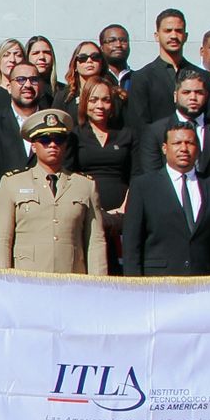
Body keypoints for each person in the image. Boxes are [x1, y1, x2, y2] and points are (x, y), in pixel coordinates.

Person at [0, 110, 107, 274]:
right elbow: (4, 241)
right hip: (27, 278)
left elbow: (95, 241)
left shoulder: (85, 185)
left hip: (72, 277)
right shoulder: (12, 183)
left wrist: (99, 282)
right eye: (45, 140)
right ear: (33, 146)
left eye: (59, 140)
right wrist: (1, 280)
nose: (53, 145)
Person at [123, 124, 210, 276]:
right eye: (177, 143)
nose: (183, 148)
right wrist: (134, 283)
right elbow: (132, 243)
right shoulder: (143, 187)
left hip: (204, 280)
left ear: (198, 148)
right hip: (159, 281)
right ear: (164, 148)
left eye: (189, 143)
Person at [133, 68, 210, 204]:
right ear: (175, 96)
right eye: (186, 92)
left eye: (199, 92)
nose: (193, 97)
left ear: (206, 95)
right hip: (168, 208)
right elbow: (152, 175)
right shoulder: (156, 131)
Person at [74, 80, 134, 276]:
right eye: (94, 100)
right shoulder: (74, 136)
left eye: (106, 100)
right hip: (87, 214)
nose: (100, 105)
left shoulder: (126, 135)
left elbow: (137, 174)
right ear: (84, 102)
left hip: (122, 215)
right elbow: (69, 175)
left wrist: (125, 207)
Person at [125, 9, 210, 128]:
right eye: (168, 31)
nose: (173, 36)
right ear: (157, 36)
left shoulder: (204, 76)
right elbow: (138, 126)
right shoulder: (142, 78)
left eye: (178, 31)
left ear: (185, 36)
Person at [0, 59, 46, 208]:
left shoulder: (52, 124)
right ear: (8, 87)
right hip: (4, 210)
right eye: (20, 79)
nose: (27, 85)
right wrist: (8, 202)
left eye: (33, 80)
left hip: (45, 211)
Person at [53, 41, 118, 119]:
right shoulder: (63, 96)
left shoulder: (113, 94)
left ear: (102, 63)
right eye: (82, 58)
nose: (89, 60)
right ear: (75, 66)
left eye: (95, 57)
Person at [99, 23, 133, 88]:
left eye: (123, 41)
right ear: (101, 48)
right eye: (112, 41)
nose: (118, 45)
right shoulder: (96, 78)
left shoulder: (139, 78)